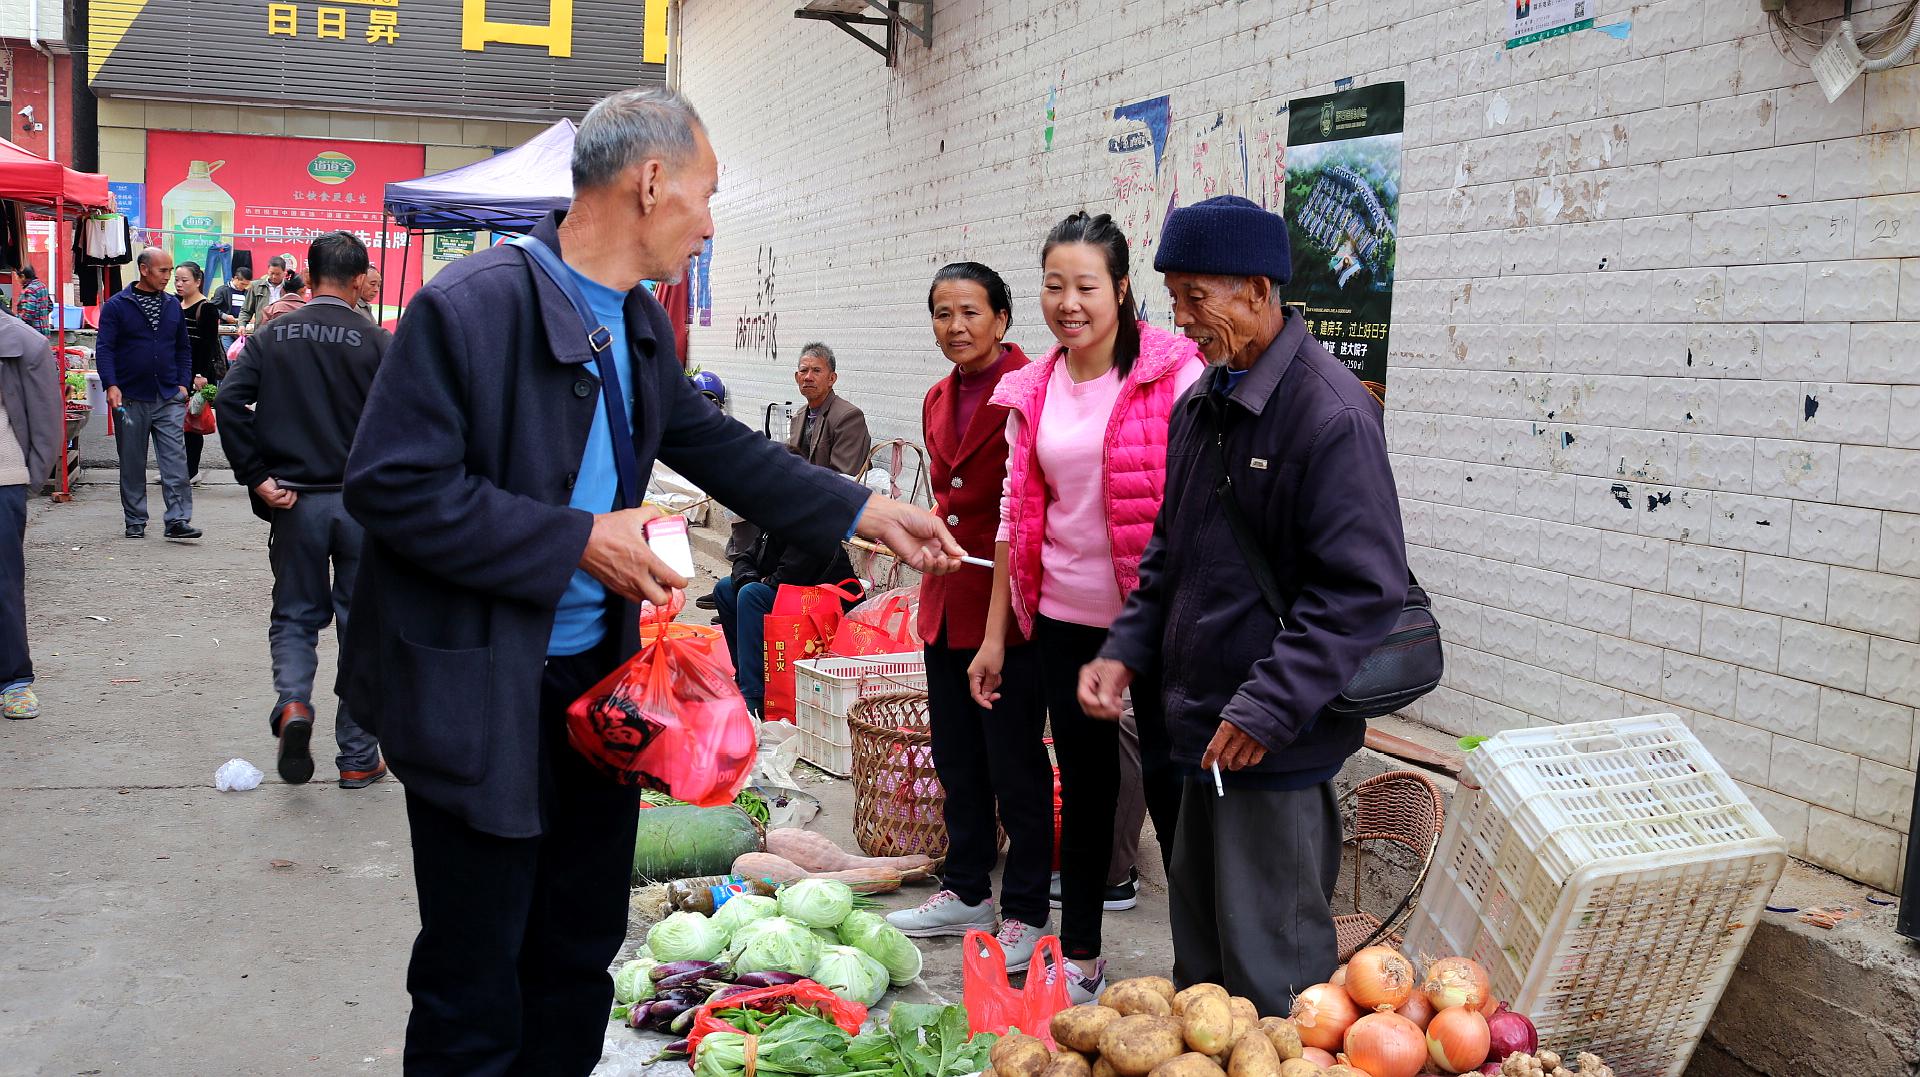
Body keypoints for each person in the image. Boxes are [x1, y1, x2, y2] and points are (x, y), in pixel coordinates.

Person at [338, 87, 962, 1074]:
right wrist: (576, 539)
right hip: (480, 691)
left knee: (579, 952)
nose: (711, 224)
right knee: (474, 970)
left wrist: (860, 509)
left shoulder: (635, 324)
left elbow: (711, 442)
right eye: (707, 196)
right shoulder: (472, 307)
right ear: (651, 180)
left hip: (599, 688)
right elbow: (391, 487)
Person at [1082, 196, 1410, 1015]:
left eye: (1199, 297)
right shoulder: (1204, 404)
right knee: (1201, 976)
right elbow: (1168, 553)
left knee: (1274, 984)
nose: (1182, 319)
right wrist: (1124, 648)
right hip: (1200, 738)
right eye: (1176, 296)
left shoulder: (1330, 414)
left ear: (1259, 290)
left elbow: (1361, 590)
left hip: (1273, 750)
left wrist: (1264, 708)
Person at [969, 211, 1203, 1002]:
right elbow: (1011, 516)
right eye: (1054, 285)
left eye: (1086, 286)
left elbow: (1202, 500)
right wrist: (995, 635)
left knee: (1175, 789)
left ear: (1122, 288)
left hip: (1161, 621)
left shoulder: (1175, 372)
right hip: (1067, 617)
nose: (1069, 303)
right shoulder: (1031, 387)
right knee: (1088, 783)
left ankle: (1199, 965)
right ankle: (1084, 956)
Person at [886, 263, 1052, 963]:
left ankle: (1024, 909)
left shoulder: (1033, 391)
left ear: (1004, 318)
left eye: (971, 313)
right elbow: (948, 495)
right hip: (945, 600)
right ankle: (965, 887)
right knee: (955, 756)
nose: (956, 327)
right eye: (943, 313)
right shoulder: (935, 396)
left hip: (1008, 606)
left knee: (1014, 762)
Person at [217, 232, 392, 789]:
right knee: (361, 625)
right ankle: (358, 756)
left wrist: (258, 477)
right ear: (360, 279)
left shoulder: (272, 336)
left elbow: (228, 400)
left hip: (294, 502)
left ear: (310, 276)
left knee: (295, 616)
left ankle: (294, 705)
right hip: (362, 507)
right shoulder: (376, 341)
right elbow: (408, 423)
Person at [698, 343, 870, 618]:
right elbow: (791, 462)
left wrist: (799, 493)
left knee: (779, 513)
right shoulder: (801, 414)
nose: (808, 377)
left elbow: (844, 475)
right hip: (801, 496)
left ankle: (753, 592)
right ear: (796, 377)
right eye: (803, 371)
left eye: (816, 370)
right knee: (749, 498)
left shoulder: (848, 416)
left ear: (832, 378)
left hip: (827, 501)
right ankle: (744, 584)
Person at [97, 247, 198, 541]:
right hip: (129, 397)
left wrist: (183, 384)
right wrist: (111, 384)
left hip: (168, 396)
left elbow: (182, 348)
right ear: (144, 270)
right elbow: (105, 348)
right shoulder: (117, 305)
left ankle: (178, 519)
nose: (169, 277)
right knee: (132, 462)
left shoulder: (172, 306)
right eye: (163, 271)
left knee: (175, 462)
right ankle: (135, 520)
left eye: (171, 271)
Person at [0, 302, 63, 719]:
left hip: (3, 478)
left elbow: (46, 417)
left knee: (4, 583)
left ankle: (14, 680)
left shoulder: (24, 342)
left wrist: (31, 475)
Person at [173, 261, 226, 482]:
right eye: (177, 280)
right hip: (176, 371)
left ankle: (191, 470)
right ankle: (176, 468)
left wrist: (200, 375)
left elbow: (208, 344)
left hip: (198, 375)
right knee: (174, 421)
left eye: (184, 280)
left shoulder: (207, 308)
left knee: (193, 422)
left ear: (197, 281)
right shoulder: (174, 304)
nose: (178, 284)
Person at [241, 255, 289, 328]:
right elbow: (246, 310)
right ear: (268, 270)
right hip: (262, 329)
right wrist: (242, 325)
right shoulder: (256, 286)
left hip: (283, 329)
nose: (274, 277)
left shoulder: (290, 287)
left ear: (284, 272)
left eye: (278, 274)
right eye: (271, 273)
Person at [12, 265, 54, 335]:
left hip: (33, 332)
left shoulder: (30, 290)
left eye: (16, 276)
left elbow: (28, 314)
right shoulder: (42, 286)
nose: (16, 279)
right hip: (44, 329)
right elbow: (50, 306)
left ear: (22, 276)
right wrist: (41, 316)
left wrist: (16, 320)